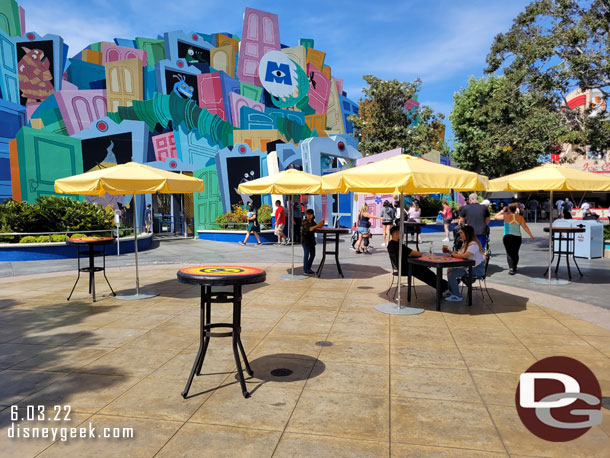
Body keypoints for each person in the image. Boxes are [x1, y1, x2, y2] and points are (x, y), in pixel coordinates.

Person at [387, 225, 448, 293]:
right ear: (396, 234)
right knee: (427, 274)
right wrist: (427, 254)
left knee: (427, 273)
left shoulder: (391, 244)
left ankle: (444, 286)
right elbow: (414, 253)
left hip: (402, 267)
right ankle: (445, 286)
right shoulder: (398, 246)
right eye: (402, 233)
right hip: (407, 268)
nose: (403, 235)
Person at [442, 225, 486, 302]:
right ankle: (451, 290)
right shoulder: (466, 243)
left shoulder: (473, 244)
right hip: (469, 267)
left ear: (467, 234)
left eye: (462, 233)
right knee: (450, 270)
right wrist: (449, 251)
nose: (460, 235)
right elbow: (460, 253)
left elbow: (465, 255)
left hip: (476, 269)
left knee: (452, 274)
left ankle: (456, 295)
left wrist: (453, 255)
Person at [494, 203, 534, 275]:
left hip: (507, 236)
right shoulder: (520, 217)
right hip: (517, 237)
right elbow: (525, 227)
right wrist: (531, 235)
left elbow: (495, 217)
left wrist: (502, 211)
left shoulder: (505, 216)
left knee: (509, 253)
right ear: (515, 209)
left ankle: (511, 268)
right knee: (515, 252)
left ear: (509, 209)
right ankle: (515, 266)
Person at [301, 208, 324, 275]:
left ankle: (308, 268)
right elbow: (309, 229)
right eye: (307, 214)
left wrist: (321, 225)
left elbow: (316, 228)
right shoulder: (304, 221)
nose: (308, 216)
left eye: (310, 214)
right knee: (306, 255)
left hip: (311, 241)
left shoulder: (313, 222)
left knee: (313, 255)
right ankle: (306, 269)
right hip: (305, 240)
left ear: (312, 215)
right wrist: (317, 225)